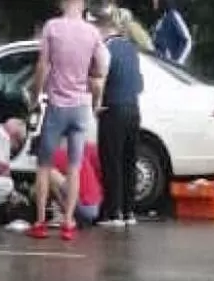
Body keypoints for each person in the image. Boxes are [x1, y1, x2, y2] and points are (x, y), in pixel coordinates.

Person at [28, 0, 110, 241]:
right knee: (74, 167)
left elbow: (42, 66)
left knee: (44, 166)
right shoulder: (92, 33)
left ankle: (40, 222)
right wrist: (93, 94)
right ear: (83, 4)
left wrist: (35, 96)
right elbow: (100, 70)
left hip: (57, 106)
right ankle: (68, 223)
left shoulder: (52, 27)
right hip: (80, 108)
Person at [89, 4, 143, 227]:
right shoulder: (131, 48)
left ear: (101, 26)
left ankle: (112, 213)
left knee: (111, 162)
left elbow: (98, 81)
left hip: (113, 109)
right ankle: (129, 211)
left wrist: (96, 104)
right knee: (129, 161)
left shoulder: (105, 47)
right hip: (133, 109)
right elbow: (140, 83)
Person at [49, 142, 104, 226]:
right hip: (97, 207)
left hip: (84, 208)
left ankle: (64, 216)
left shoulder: (52, 157)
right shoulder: (86, 151)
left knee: (49, 174)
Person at [151, 0, 192, 65]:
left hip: (168, 65)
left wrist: (177, 63)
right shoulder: (162, 18)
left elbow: (187, 40)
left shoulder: (173, 15)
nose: (154, 2)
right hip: (158, 62)